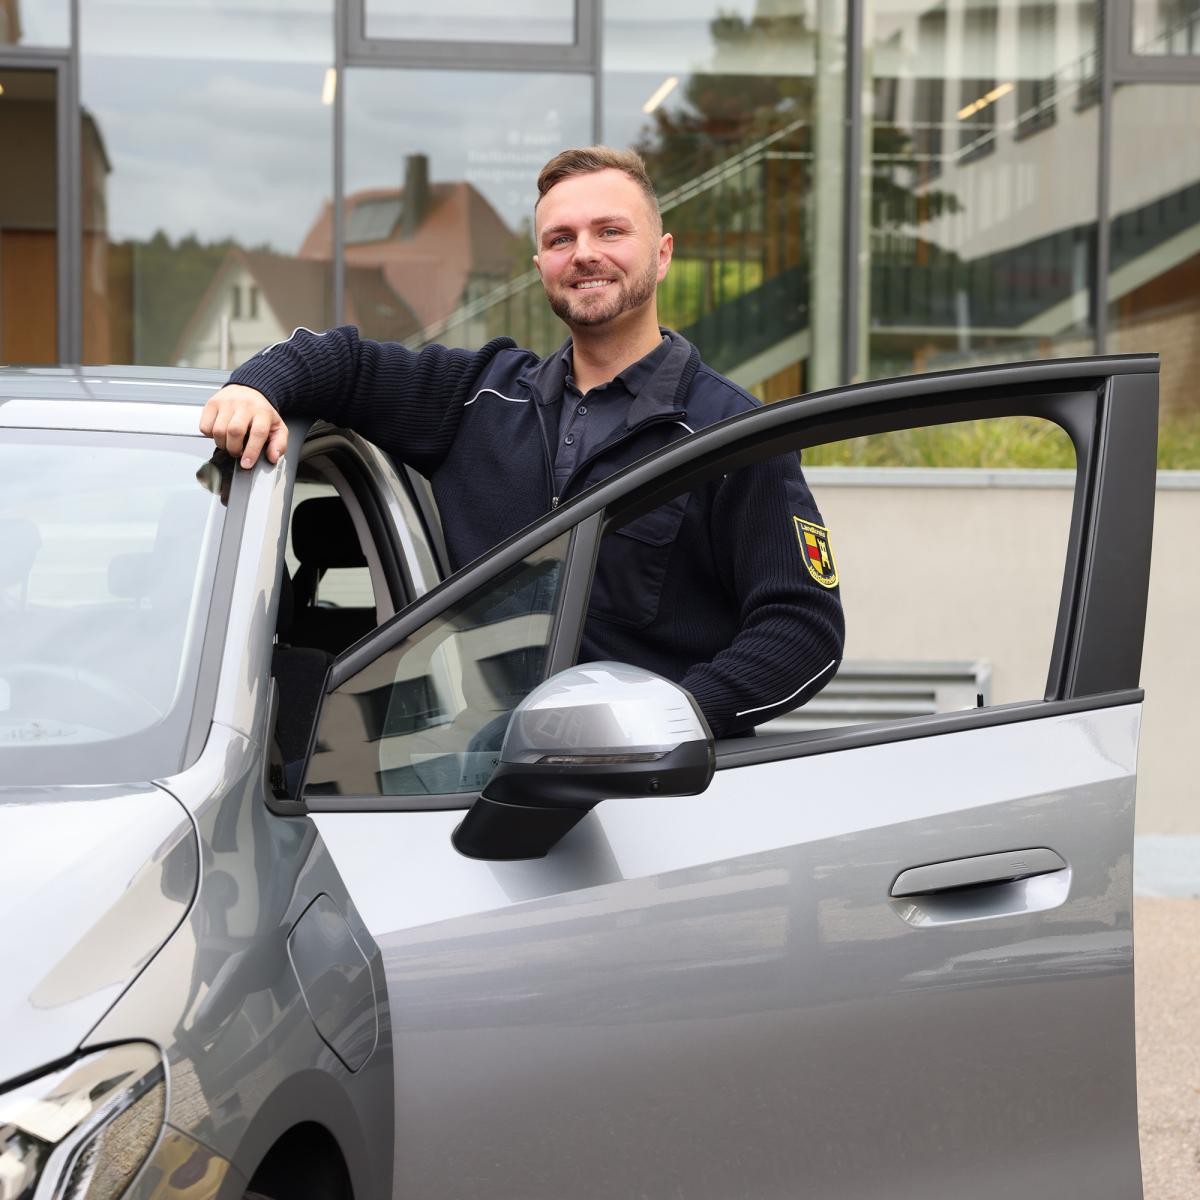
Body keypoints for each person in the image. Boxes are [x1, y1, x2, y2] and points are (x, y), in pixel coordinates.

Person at [200, 146, 844, 738]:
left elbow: (803, 628)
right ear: (541, 267)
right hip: (476, 781)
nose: (584, 253)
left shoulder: (729, 432)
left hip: (656, 792)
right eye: (561, 239)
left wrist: (671, 718)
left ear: (662, 253)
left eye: (610, 232)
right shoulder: (476, 396)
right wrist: (256, 388)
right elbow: (341, 361)